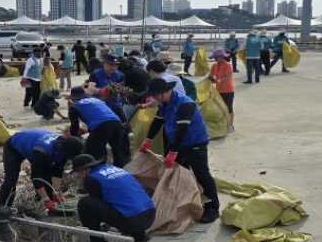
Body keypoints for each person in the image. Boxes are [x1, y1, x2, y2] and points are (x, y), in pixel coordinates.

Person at [142, 77, 219, 223]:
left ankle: (212, 208)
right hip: (178, 143)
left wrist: (172, 152)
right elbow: (158, 121)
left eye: (156, 96)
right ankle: (185, 203)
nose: (155, 99)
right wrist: (148, 139)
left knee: (201, 174)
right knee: (177, 175)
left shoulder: (185, 104)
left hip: (195, 142)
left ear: (165, 92)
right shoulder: (164, 104)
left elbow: (181, 130)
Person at [70, 154, 156, 242]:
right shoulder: (116, 169)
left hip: (132, 220)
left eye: (77, 173)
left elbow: (98, 204)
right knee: (125, 202)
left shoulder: (91, 178)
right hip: (150, 214)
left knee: (85, 204)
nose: (77, 176)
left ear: (84, 170)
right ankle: (139, 235)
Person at [0, 129, 85, 210]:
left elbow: (57, 171)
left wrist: (56, 192)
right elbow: (36, 177)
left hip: (33, 143)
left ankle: (40, 202)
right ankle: (2, 207)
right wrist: (46, 200)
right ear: (65, 151)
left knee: (47, 177)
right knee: (11, 179)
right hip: (14, 146)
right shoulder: (42, 152)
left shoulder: (64, 148)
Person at [68, 87, 130, 167]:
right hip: (117, 123)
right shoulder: (96, 100)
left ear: (73, 98)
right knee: (118, 152)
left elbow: (74, 126)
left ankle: (98, 170)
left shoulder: (74, 106)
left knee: (93, 152)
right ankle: (119, 170)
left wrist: (74, 139)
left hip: (101, 126)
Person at [88, 54, 126, 120]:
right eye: (111, 65)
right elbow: (89, 89)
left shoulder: (120, 75)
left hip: (116, 105)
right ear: (104, 64)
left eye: (116, 65)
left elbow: (123, 91)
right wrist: (100, 91)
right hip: (101, 105)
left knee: (123, 121)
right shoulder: (95, 74)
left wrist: (121, 91)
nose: (113, 67)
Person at [209, 49, 235, 132]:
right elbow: (211, 76)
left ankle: (230, 125)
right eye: (215, 58)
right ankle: (223, 124)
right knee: (220, 108)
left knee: (229, 108)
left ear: (221, 57)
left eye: (216, 58)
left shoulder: (228, 65)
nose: (215, 59)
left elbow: (227, 76)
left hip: (228, 90)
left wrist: (219, 80)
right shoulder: (214, 66)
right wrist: (210, 79)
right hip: (218, 91)